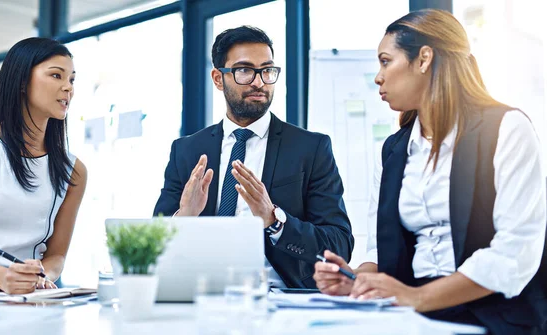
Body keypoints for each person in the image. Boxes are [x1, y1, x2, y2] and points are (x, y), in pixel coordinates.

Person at [313, 9, 547, 335]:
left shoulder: (507, 129)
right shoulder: (394, 150)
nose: (378, 77)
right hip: (413, 316)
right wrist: (356, 278)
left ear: (424, 59)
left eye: (385, 61)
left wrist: (417, 297)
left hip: (492, 315)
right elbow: (383, 250)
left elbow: (515, 252)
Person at [154, 26, 353, 288]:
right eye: (245, 70)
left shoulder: (311, 148)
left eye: (267, 71)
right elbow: (152, 246)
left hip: (282, 299)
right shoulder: (187, 151)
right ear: (217, 78)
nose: (259, 82)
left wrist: (274, 220)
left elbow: (338, 245)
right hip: (200, 294)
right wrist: (185, 217)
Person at [0, 37, 87, 302]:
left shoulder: (75, 171)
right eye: (56, 76)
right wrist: (2, 278)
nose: (67, 88)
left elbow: (57, 255)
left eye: (71, 80)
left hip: (28, 298)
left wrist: (41, 273)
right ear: (22, 81)